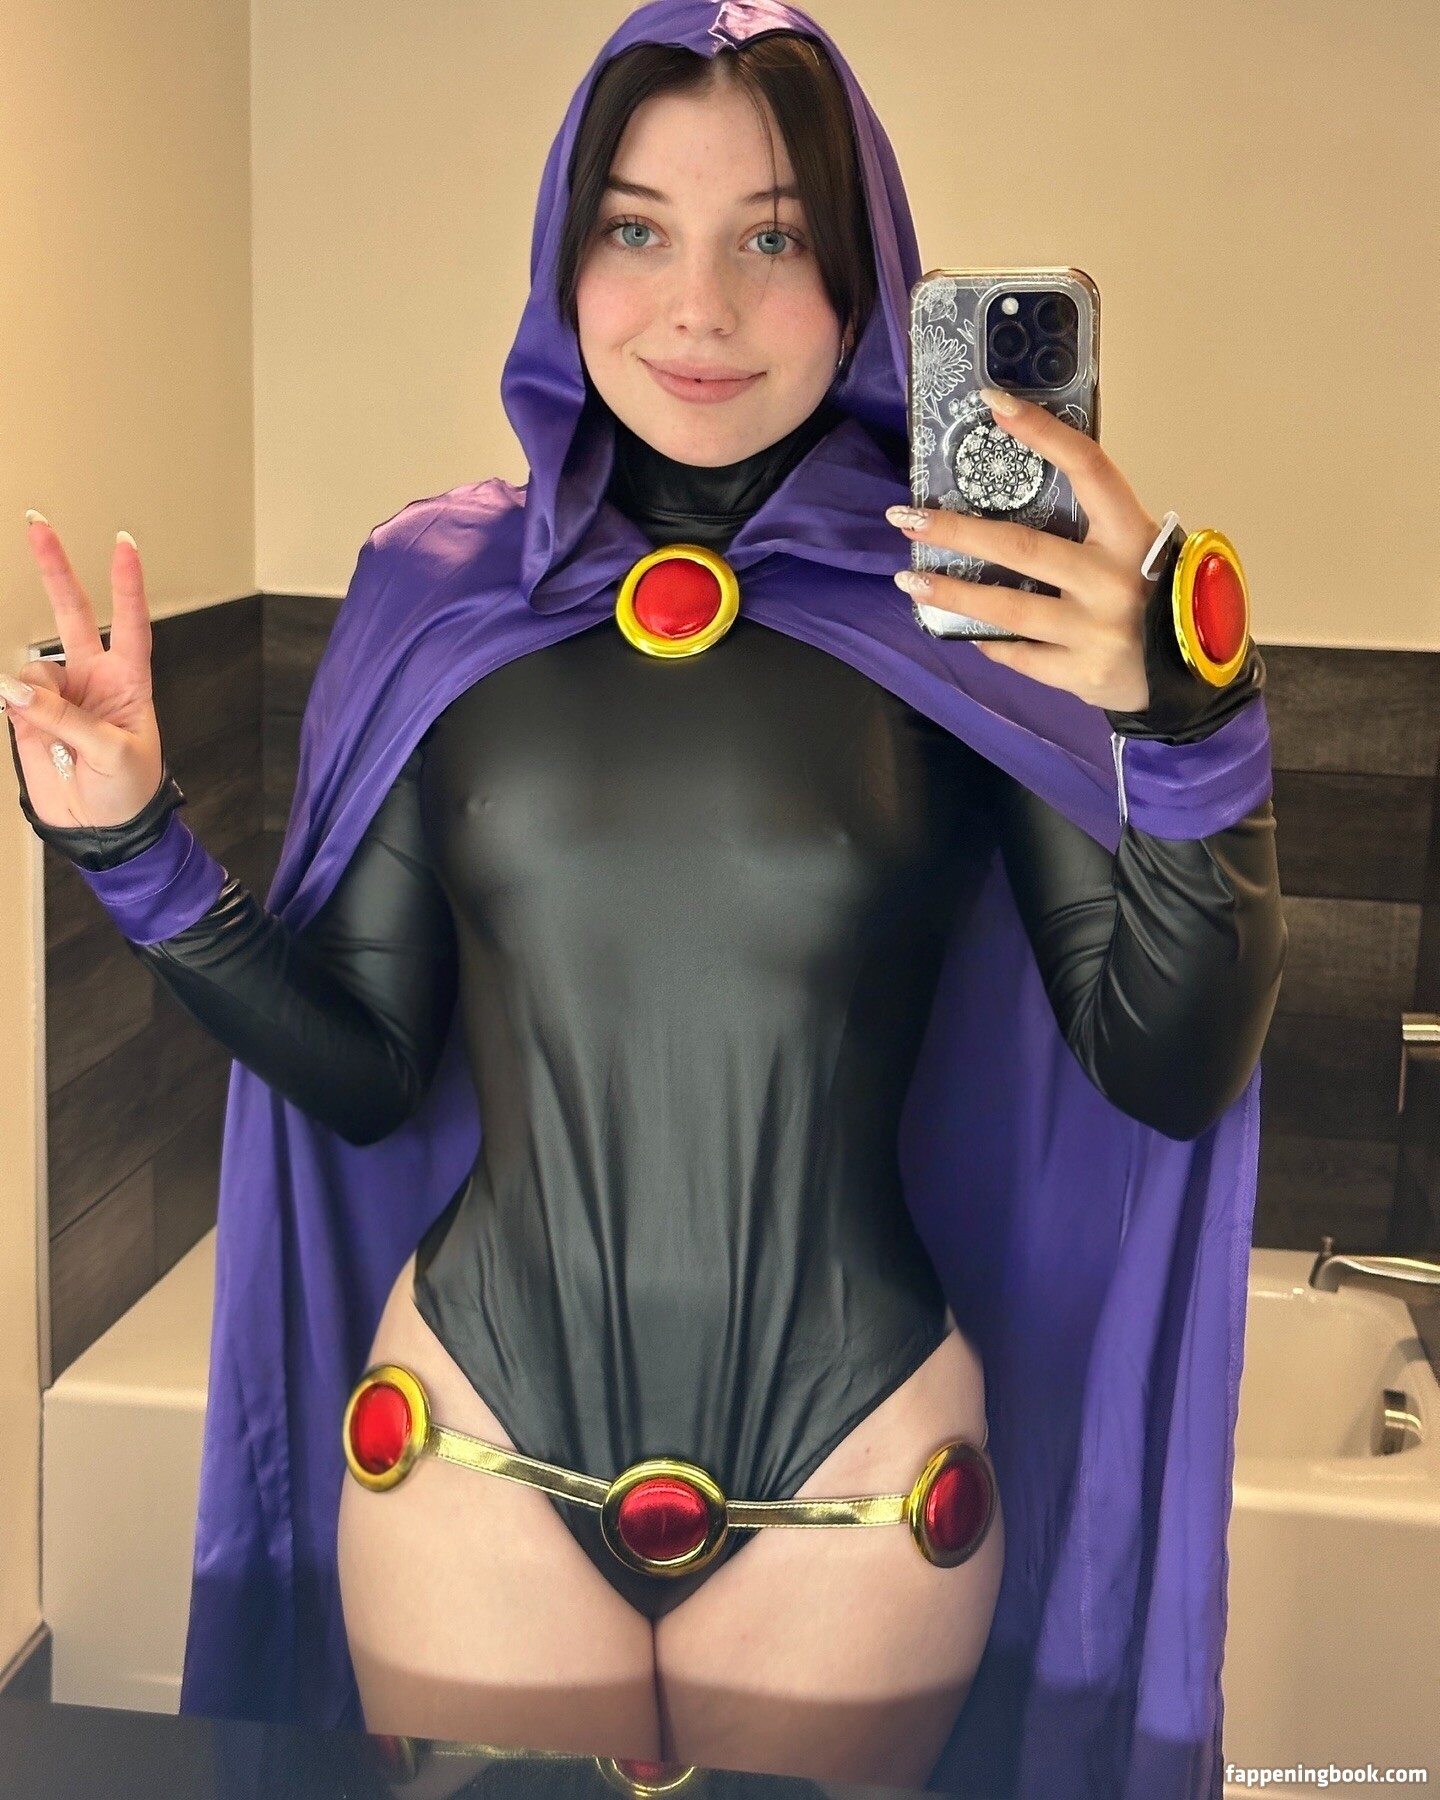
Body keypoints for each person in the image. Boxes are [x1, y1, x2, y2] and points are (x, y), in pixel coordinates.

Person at [5, 3, 1286, 1794]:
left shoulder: (977, 603)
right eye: (636, 227)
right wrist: (136, 846)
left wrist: (1191, 724)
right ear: (565, 250)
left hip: (859, 1485)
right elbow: (368, 1071)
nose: (698, 310)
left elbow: (1164, 1065)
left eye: (773, 237)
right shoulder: (438, 590)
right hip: (467, 1452)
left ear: (861, 278)